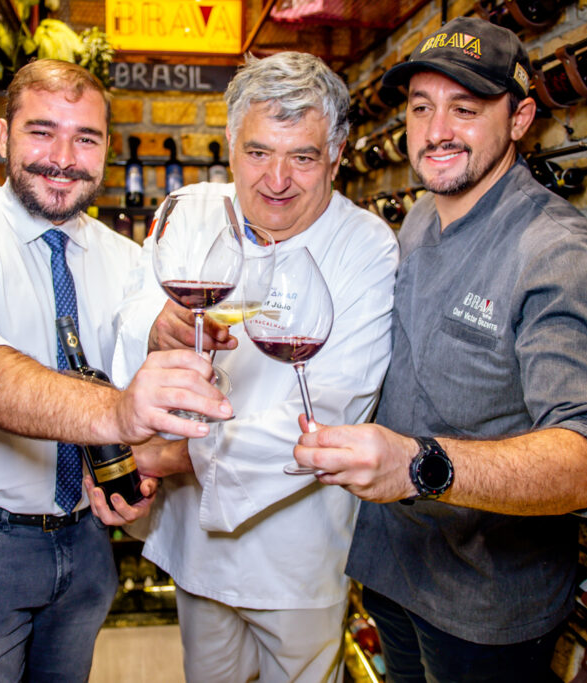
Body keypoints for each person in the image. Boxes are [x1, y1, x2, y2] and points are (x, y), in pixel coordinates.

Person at [293, 16, 587, 682]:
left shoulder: (561, 254)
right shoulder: (423, 215)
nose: (437, 130)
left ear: (519, 119)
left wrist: (421, 466)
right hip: (391, 569)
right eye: (421, 107)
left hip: (482, 605)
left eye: (466, 108)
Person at [0, 59, 231, 682]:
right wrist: (117, 413)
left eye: (86, 139)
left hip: (85, 538)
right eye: (41, 132)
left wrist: (173, 339)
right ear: (3, 136)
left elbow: (148, 347)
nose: (63, 158)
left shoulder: (127, 259)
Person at [111, 52, 399, 682]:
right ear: (230, 142)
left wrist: (168, 457)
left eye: (303, 157)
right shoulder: (192, 211)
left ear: (337, 154)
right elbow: (131, 308)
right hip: (196, 540)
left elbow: (333, 408)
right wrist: (155, 327)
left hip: (296, 551)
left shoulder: (366, 246)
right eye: (258, 152)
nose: (276, 180)